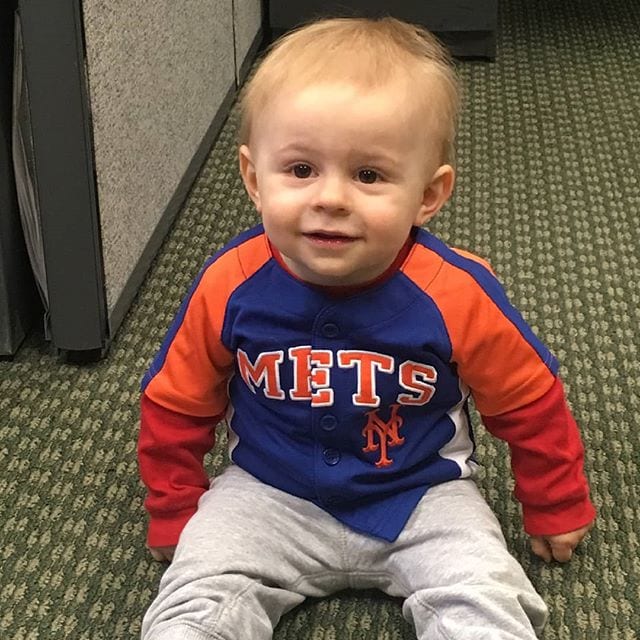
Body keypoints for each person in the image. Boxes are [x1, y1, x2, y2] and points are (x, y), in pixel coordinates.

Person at [138, 16, 596, 640]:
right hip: (267, 493)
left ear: (428, 195)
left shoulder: (457, 292)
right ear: (253, 178)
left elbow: (528, 401)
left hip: (424, 494)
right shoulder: (229, 283)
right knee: (195, 600)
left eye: (370, 175)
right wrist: (174, 510)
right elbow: (176, 402)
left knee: (483, 597)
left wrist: (556, 500)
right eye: (300, 170)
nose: (330, 197)